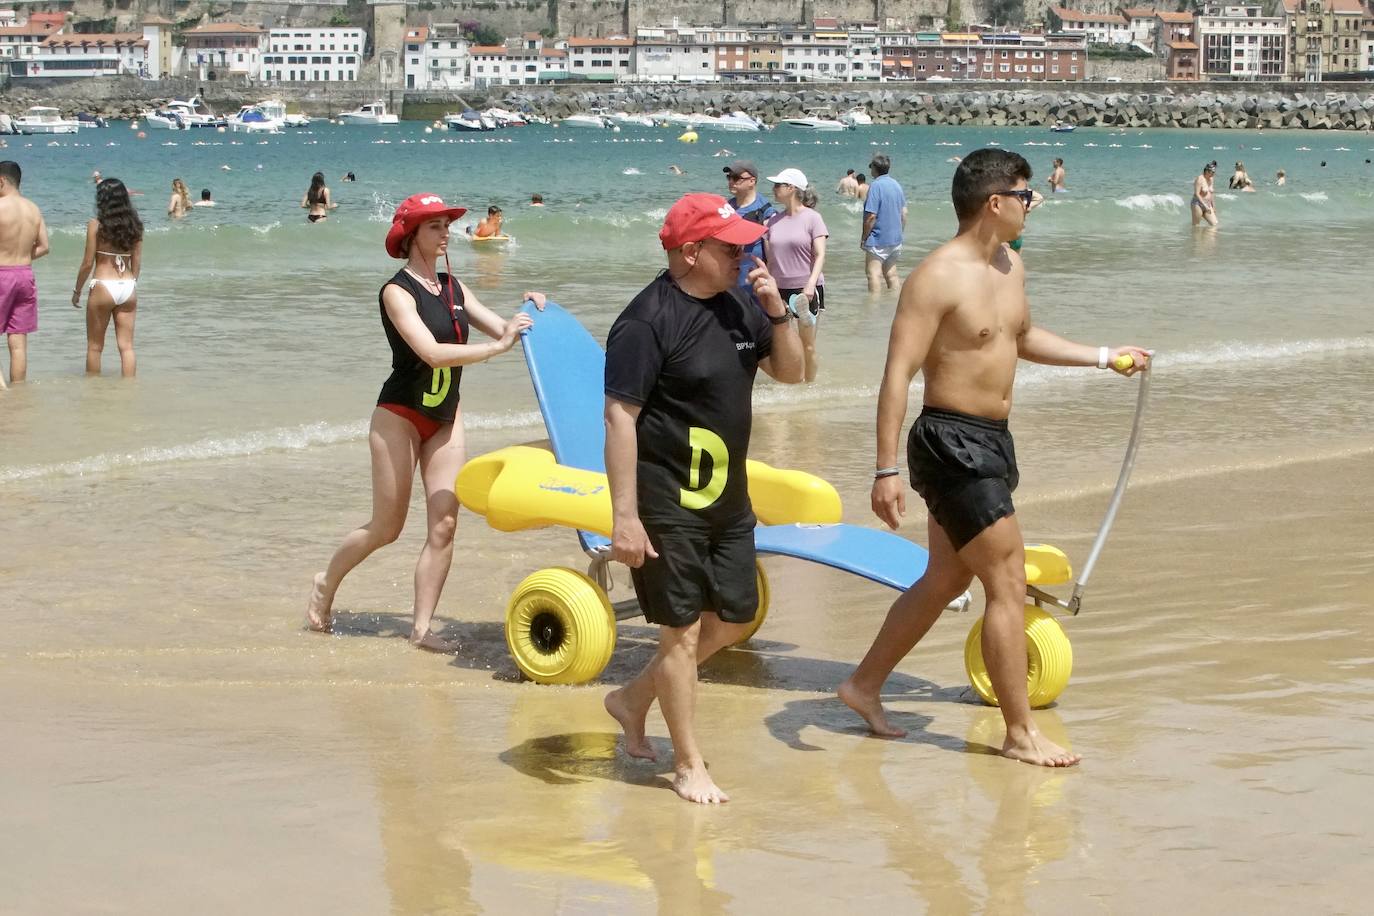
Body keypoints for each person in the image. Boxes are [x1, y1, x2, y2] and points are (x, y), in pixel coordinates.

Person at [838, 149, 1151, 767]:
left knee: (946, 577)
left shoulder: (1010, 264)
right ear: (995, 202)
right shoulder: (936, 277)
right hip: (949, 443)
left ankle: (863, 686)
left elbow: (1021, 336)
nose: (1033, 204)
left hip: (993, 440)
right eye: (1025, 195)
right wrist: (884, 469)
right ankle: (1019, 733)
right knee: (1005, 581)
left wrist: (1103, 356)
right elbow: (897, 374)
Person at [602, 193, 804, 804]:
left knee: (736, 618)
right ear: (690, 252)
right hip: (668, 503)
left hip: (728, 500)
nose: (745, 255)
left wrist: (778, 314)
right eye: (730, 246)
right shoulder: (646, 321)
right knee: (681, 634)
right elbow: (619, 418)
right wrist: (625, 517)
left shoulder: (742, 304)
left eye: (745, 245)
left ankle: (632, 698)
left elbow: (793, 373)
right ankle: (688, 764)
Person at [306, 193, 545, 650]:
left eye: (446, 225)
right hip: (399, 416)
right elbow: (432, 353)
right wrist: (495, 349)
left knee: (445, 525)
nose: (445, 233)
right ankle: (325, 583)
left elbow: (504, 330)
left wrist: (532, 309)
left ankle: (420, 629)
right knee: (386, 528)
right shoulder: (396, 292)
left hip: (446, 418)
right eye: (434, 226)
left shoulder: (455, 289)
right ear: (411, 235)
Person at [71, 178, 143, 377]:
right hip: (128, 286)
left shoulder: (95, 225)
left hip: (103, 285)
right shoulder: (136, 226)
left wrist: (77, 291)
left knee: (95, 347)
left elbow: (87, 263)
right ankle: (129, 390)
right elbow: (137, 263)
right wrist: (131, 284)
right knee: (127, 347)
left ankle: (94, 391)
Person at [765, 168, 828, 382]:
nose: (774, 189)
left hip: (806, 289)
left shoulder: (813, 218)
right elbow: (770, 259)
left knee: (807, 344)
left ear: (791, 188)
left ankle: (808, 387)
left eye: (778, 185)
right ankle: (791, 382)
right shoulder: (773, 221)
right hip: (780, 289)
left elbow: (820, 255)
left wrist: (810, 285)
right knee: (784, 344)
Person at [0, 160, 50, 387]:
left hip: (2, 275)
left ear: (1, 181)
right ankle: (19, 393)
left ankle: (2, 390)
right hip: (25, 275)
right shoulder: (33, 208)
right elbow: (44, 247)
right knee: (18, 342)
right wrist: (21, 258)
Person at [723, 159, 778, 298]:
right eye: (729, 177)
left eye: (736, 178)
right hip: (727, 282)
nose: (731, 181)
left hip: (753, 284)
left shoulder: (766, 211)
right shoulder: (725, 208)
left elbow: (772, 257)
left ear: (752, 181)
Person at [861, 154, 907, 292]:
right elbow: (904, 213)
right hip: (895, 239)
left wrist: (864, 238)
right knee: (891, 274)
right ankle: (894, 301)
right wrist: (900, 232)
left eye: (871, 167)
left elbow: (871, 217)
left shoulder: (876, 186)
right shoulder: (896, 185)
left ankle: (874, 304)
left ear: (875, 168)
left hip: (878, 239)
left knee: (873, 274)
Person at [1192, 161, 1218, 228]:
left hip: (1208, 204)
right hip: (1198, 204)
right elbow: (1197, 194)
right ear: (1206, 171)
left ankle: (1206, 234)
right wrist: (1205, 206)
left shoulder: (1211, 179)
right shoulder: (1200, 179)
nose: (1214, 174)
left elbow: (1211, 193)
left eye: (1214, 172)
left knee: (1214, 224)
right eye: (1212, 172)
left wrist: (1213, 206)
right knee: (1196, 226)